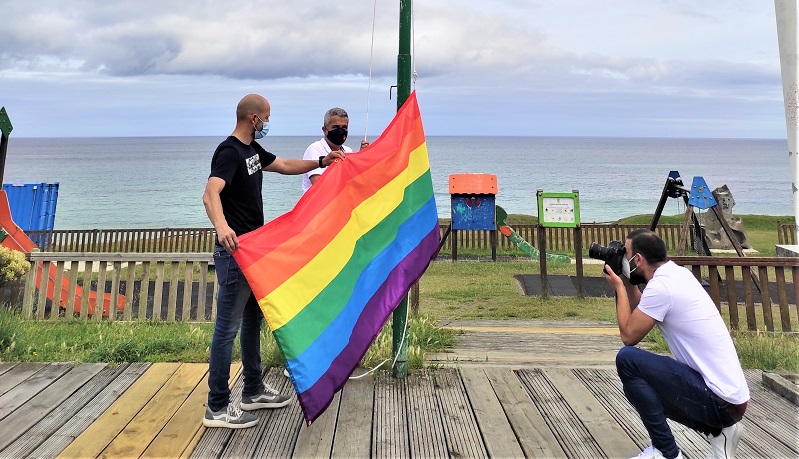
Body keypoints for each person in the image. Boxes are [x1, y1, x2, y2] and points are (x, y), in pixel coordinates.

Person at [201, 93, 345, 429]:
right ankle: (217, 407)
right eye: (266, 117)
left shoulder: (253, 151)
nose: (268, 122)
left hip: (255, 251)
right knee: (226, 329)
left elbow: (282, 165)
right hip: (235, 252)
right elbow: (210, 193)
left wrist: (321, 163)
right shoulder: (229, 151)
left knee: (253, 322)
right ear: (253, 118)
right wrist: (222, 227)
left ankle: (252, 390)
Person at [601, 229, 749, 459]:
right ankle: (718, 431)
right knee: (637, 386)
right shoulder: (675, 275)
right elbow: (643, 309)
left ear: (637, 259)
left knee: (627, 360)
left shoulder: (662, 288)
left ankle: (667, 452)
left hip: (720, 402)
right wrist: (629, 282)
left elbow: (629, 336)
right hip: (730, 399)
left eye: (625, 254)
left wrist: (619, 287)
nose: (623, 258)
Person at [301, 107, 369, 193]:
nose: (340, 131)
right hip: (319, 205)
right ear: (325, 130)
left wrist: (361, 157)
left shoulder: (348, 151)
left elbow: (356, 178)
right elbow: (319, 186)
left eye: (344, 127)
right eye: (335, 127)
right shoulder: (315, 150)